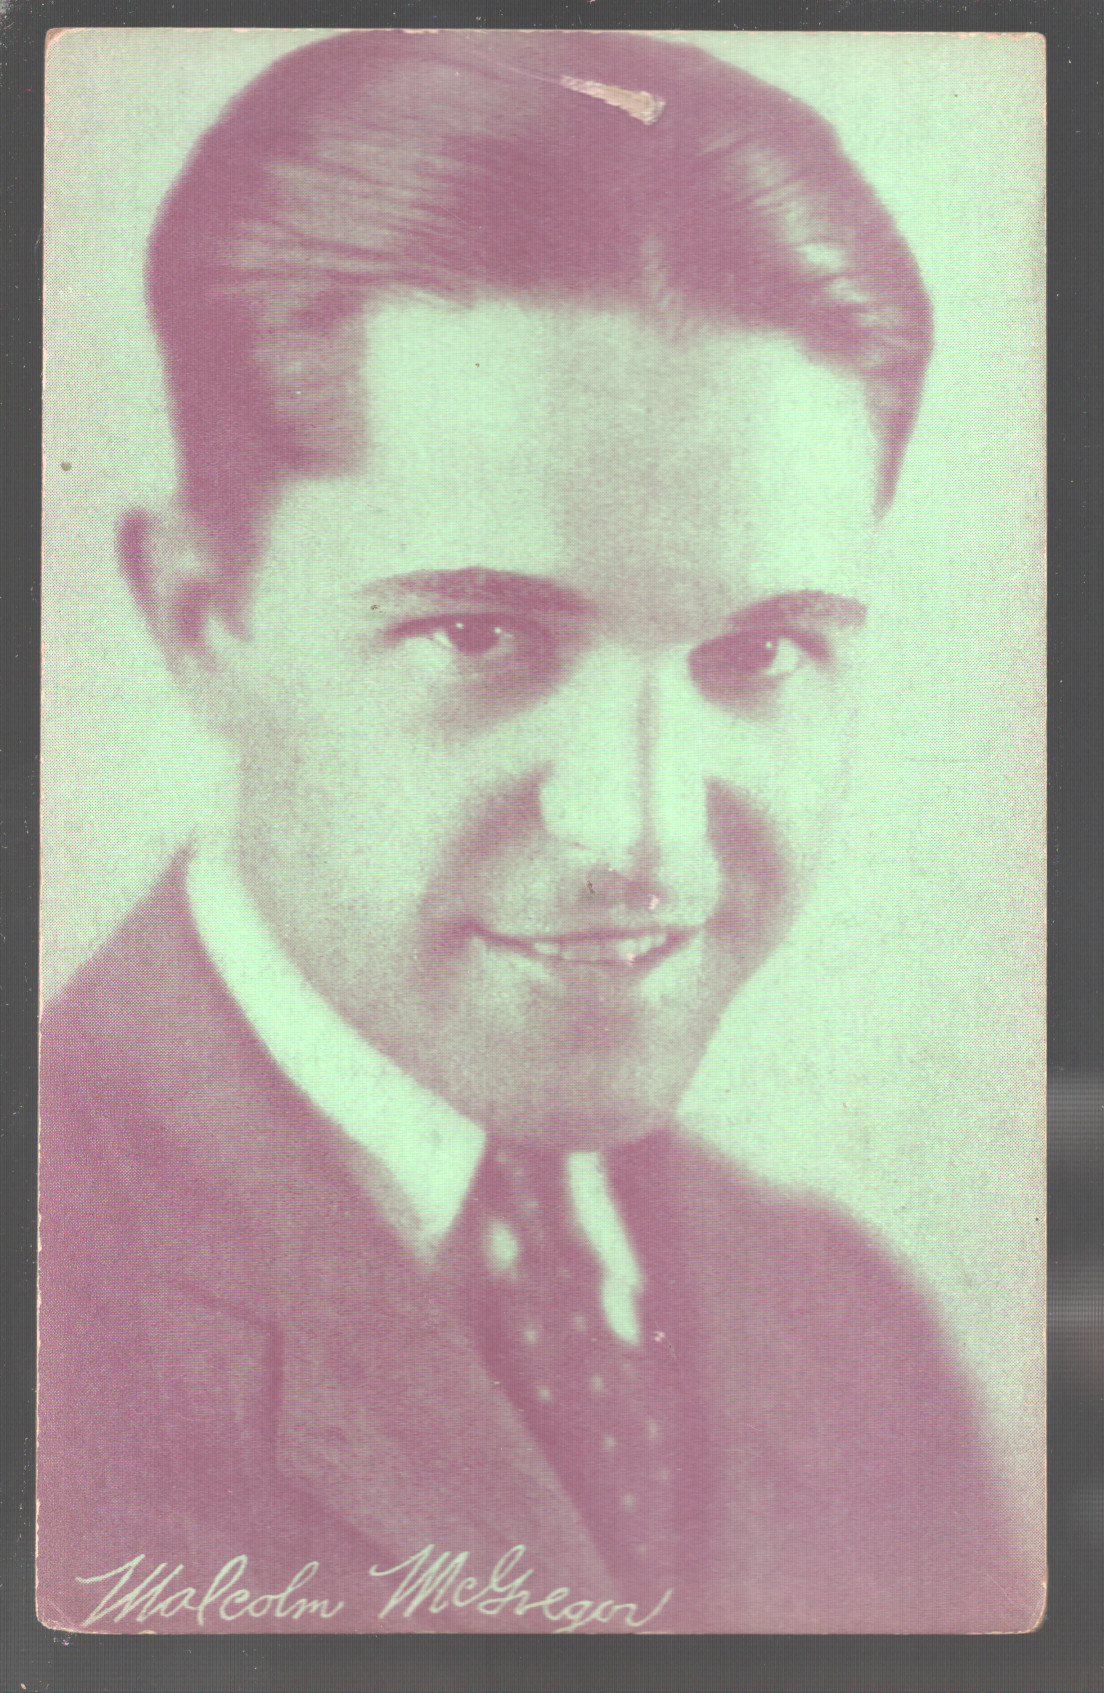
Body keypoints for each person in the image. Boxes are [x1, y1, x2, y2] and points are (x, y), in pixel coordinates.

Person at [37, 30, 1038, 1634]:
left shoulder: (858, 1334)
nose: (635, 831)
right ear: (203, 614)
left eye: (761, 651)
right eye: (482, 636)